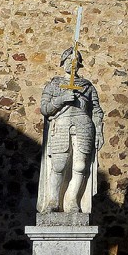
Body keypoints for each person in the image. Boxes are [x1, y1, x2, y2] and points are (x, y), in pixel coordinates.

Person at [37, 47, 103, 214]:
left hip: (84, 127)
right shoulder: (54, 85)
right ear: (63, 62)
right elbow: (45, 108)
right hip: (61, 125)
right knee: (59, 166)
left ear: (79, 64)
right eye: (68, 61)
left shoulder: (87, 86)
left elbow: (96, 110)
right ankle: (53, 201)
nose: (72, 65)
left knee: (80, 166)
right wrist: (61, 99)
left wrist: (100, 132)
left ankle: (72, 200)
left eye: (75, 62)